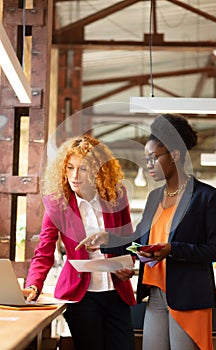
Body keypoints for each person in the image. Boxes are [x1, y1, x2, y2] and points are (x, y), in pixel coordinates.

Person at [77, 114, 216, 350]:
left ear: (175, 155)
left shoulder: (206, 197)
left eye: (153, 158)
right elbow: (138, 241)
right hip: (155, 294)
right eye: (145, 159)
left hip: (188, 296)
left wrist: (172, 250)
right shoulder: (154, 198)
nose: (147, 164)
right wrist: (106, 240)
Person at [22, 135, 136, 350]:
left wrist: (126, 265)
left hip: (116, 293)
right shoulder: (57, 204)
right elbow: (44, 250)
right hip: (81, 297)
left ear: (98, 170)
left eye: (83, 169)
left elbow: (128, 241)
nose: (75, 176)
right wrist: (33, 285)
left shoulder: (117, 196)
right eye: (70, 168)